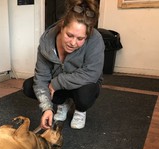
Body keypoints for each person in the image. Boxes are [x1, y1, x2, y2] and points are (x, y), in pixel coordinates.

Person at [23, 0, 105, 130]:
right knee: (28, 86)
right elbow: (41, 78)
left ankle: (80, 109)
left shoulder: (96, 39)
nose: (73, 43)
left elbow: (91, 73)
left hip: (82, 85)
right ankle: (64, 103)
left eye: (80, 39)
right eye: (69, 35)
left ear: (87, 36)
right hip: (60, 85)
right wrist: (47, 108)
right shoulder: (46, 42)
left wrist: (57, 83)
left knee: (85, 96)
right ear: (62, 27)